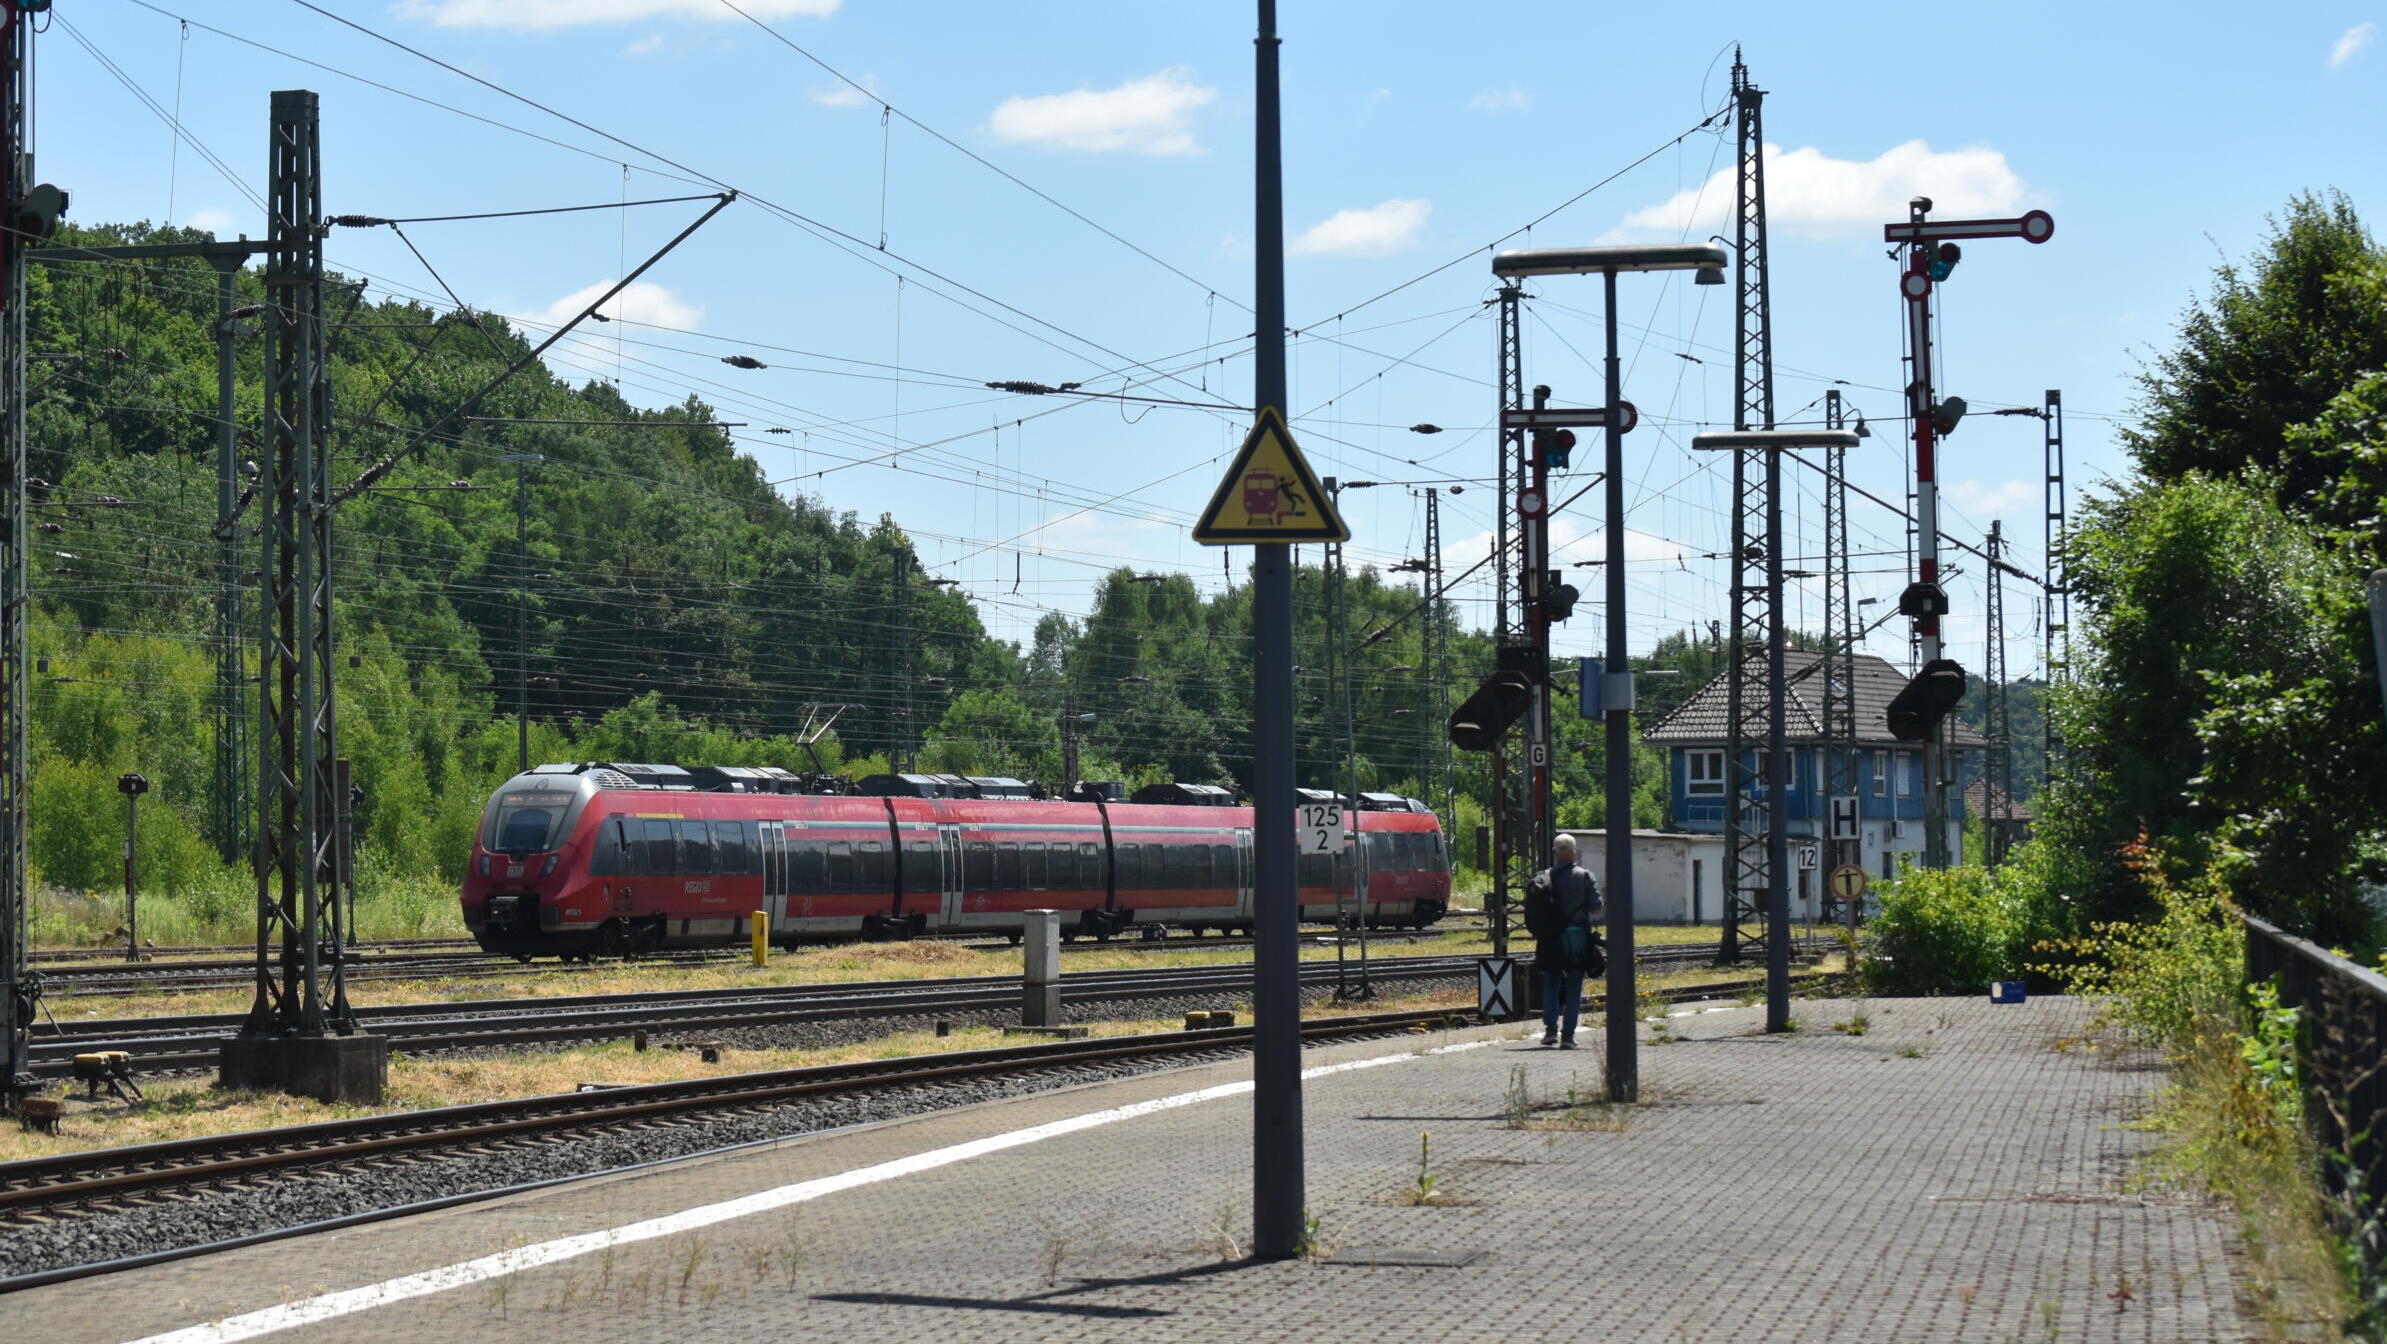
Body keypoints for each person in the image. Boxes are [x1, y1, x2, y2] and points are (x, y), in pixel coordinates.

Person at [1524, 832, 1602, 1049]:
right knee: (1575, 984)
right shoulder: (1585, 876)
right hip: (1576, 937)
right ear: (1574, 853)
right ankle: (1568, 1037)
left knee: (1551, 982)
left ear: (1554, 853)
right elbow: (1597, 909)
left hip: (1550, 938)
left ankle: (1550, 1032)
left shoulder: (1544, 877)